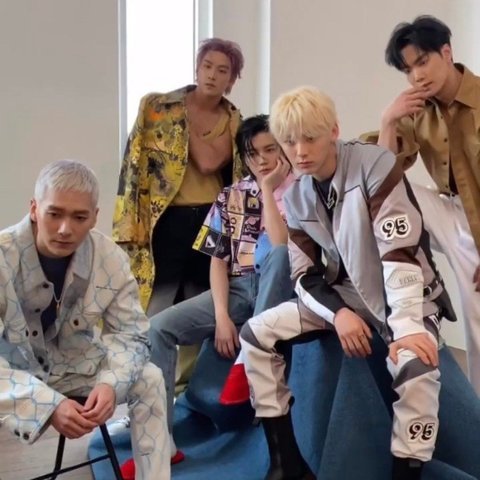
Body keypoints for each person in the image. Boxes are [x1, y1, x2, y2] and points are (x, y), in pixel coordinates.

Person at [240, 87, 456, 480]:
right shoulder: (299, 194)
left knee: (416, 369)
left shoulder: (375, 165)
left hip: (409, 294)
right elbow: (303, 273)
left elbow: (399, 252)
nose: (300, 151)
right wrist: (339, 313)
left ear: (334, 131)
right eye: (289, 142)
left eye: (310, 138)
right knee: (256, 334)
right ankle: (285, 464)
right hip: (348, 296)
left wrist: (407, 327)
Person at [0, 160, 169, 480]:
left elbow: (132, 333)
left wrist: (111, 383)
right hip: (14, 375)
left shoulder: (110, 258)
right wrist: (46, 404)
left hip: (75, 365)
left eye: (79, 217)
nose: (65, 229)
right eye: (54, 214)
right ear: (34, 209)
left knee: (150, 377)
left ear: (94, 216)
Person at [147, 114, 296, 461]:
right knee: (158, 328)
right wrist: (221, 316)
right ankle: (158, 442)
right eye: (252, 153)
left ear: (284, 148)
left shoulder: (304, 188)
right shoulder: (231, 195)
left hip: (286, 288)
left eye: (270, 149)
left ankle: (250, 353)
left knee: (279, 256)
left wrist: (269, 190)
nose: (262, 160)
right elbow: (217, 260)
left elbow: (281, 247)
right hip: (240, 288)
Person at [361, 15, 480, 394]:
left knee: (477, 317)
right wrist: (388, 121)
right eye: (408, 70)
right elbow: (380, 175)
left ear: (447, 52)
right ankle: (403, 290)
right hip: (454, 214)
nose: (417, 76)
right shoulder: (418, 110)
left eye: (423, 61)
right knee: (388, 189)